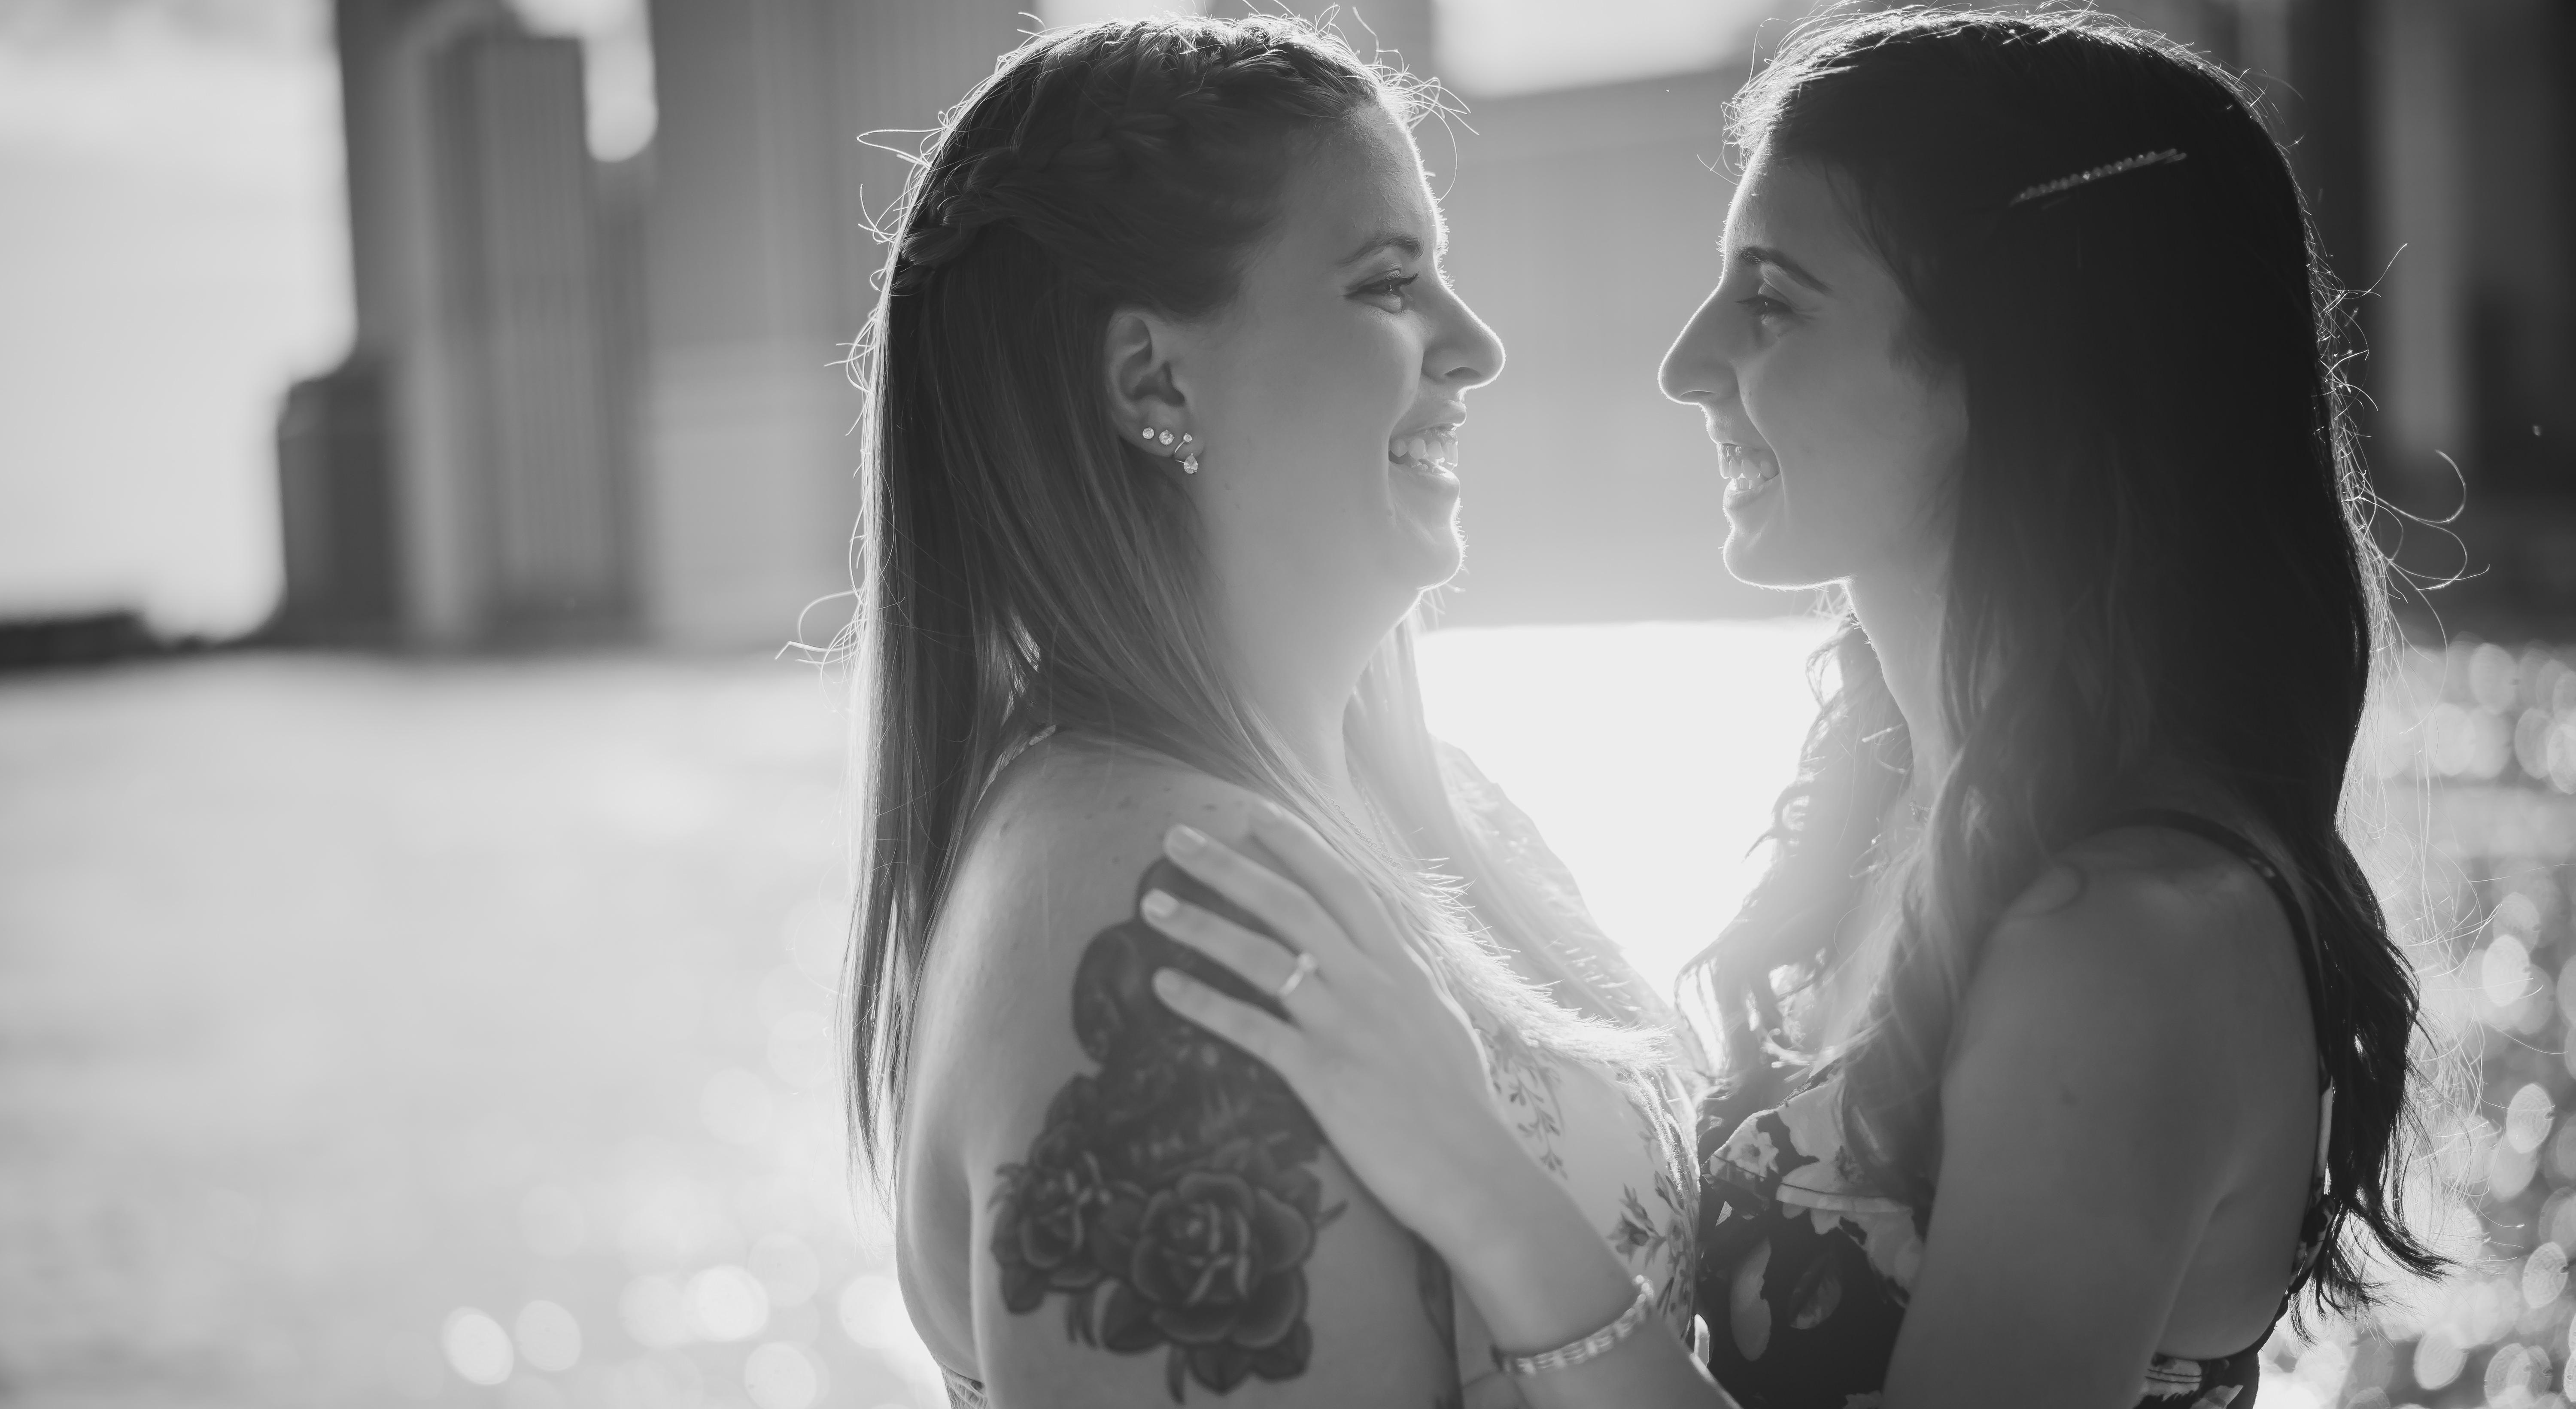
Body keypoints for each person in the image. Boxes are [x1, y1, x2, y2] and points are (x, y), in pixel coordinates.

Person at [1143, 9, 2442, 1408]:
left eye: (1771, 301)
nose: (1686, 363)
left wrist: (1475, 1170)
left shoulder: (2131, 945)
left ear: (2017, 359)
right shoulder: (1900, 802)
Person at [841, 15, 1698, 1408]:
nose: (1477, 346)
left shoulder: (1422, 794)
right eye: (1389, 284)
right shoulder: (1164, 929)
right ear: (1155, 379)